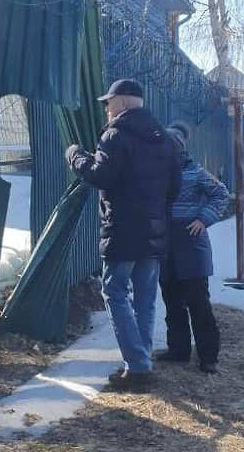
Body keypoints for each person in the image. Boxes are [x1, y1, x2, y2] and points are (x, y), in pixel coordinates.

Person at [66, 79, 181, 392]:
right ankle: (140, 361)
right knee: (145, 299)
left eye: (109, 102)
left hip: (123, 231)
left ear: (123, 102)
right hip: (154, 230)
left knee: (114, 292)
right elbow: (175, 188)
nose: (105, 108)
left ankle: (139, 366)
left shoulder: (116, 135)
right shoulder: (166, 139)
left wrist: (76, 156)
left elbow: (100, 176)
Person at [154, 121, 229, 374]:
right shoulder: (158, 173)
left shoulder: (196, 172)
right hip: (166, 245)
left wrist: (203, 218)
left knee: (198, 303)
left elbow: (221, 193)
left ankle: (208, 356)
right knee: (172, 300)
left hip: (192, 245)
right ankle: (178, 350)